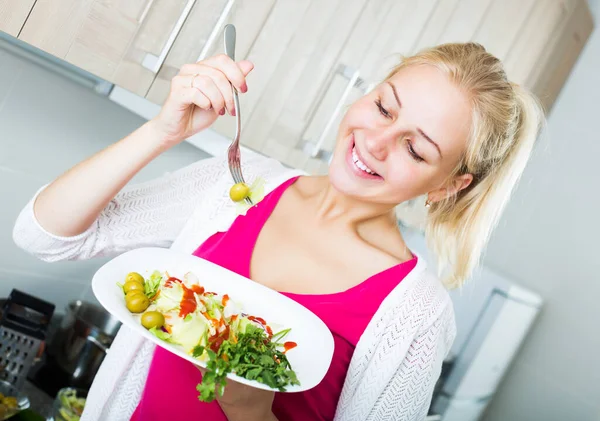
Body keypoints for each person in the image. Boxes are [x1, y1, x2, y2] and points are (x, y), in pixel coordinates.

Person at [12, 41, 543, 421]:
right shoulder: (239, 181)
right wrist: (162, 130)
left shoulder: (415, 315)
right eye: (383, 107)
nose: (376, 142)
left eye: (416, 148)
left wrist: (250, 413)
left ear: (448, 185)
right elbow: (47, 237)